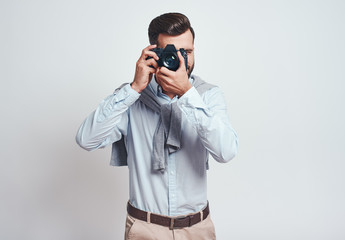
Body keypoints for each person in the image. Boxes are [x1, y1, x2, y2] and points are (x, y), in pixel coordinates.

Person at [76, 12, 238, 240]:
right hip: (144, 227)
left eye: (188, 52)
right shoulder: (132, 99)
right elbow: (86, 139)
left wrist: (187, 94)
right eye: (173, 52)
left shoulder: (207, 96)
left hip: (196, 229)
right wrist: (133, 88)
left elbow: (226, 151)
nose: (182, 60)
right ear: (154, 52)